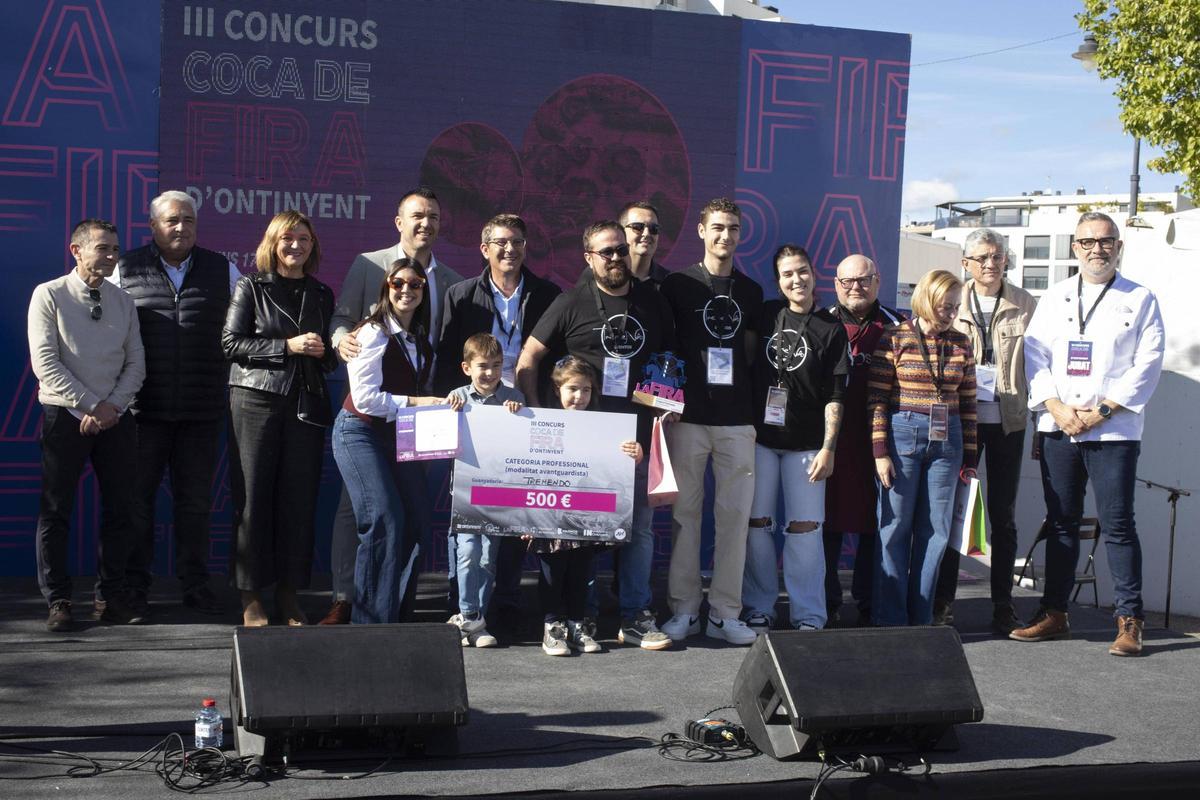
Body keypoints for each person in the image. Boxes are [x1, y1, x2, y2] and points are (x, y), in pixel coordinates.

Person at [517, 219, 676, 650]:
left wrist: (666, 408)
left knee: (639, 531)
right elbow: (529, 358)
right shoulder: (572, 302)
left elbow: (667, 358)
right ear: (588, 258)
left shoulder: (651, 301)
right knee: (579, 532)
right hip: (582, 446)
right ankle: (579, 617)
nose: (616, 258)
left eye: (621, 250)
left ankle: (635, 616)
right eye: (606, 252)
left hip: (635, 442)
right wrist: (542, 417)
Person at [1011, 212, 1164, 657]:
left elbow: (1147, 362)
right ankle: (1054, 613)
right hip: (1059, 427)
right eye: (1087, 242)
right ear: (1074, 248)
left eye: (1106, 241)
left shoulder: (1140, 298)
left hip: (1113, 430)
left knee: (1118, 526)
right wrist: (1057, 407)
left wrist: (1100, 411)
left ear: (1118, 247)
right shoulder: (1055, 297)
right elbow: (1034, 359)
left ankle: (1129, 621)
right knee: (1060, 522)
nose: (1097, 249)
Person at [323, 187, 465, 625]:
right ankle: (353, 605)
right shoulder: (370, 267)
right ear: (399, 221)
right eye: (417, 215)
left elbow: (442, 352)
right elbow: (344, 322)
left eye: (434, 217)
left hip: (416, 425)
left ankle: (393, 614)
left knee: (415, 520)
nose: (426, 223)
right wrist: (339, 341)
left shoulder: (454, 280)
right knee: (374, 516)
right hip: (369, 420)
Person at [112, 190, 241, 619]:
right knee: (136, 505)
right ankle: (133, 589)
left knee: (195, 506)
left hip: (201, 412)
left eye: (188, 220)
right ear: (153, 226)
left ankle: (196, 586)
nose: (181, 228)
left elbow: (240, 331)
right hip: (140, 412)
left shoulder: (223, 270)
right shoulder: (124, 268)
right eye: (171, 221)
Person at [436, 213, 562, 640]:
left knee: (513, 509)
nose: (511, 250)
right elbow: (445, 358)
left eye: (518, 242)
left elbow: (556, 361)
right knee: (467, 514)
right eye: (502, 242)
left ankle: (504, 600)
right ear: (484, 248)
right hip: (472, 415)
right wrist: (445, 409)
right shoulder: (461, 294)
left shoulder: (548, 294)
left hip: (522, 412)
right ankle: (463, 607)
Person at [29, 219, 145, 631]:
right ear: (76, 250)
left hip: (116, 417)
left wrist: (112, 407)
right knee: (56, 510)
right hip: (66, 416)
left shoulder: (123, 301)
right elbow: (45, 362)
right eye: (103, 248)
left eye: (115, 248)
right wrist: (90, 406)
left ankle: (110, 596)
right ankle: (58, 600)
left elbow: (136, 364)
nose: (112, 256)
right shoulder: (49, 295)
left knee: (121, 511)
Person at [222, 210, 336, 627]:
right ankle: (251, 596)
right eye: (288, 239)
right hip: (255, 400)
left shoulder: (322, 293)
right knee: (252, 499)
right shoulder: (250, 286)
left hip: (304, 406)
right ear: (273, 243)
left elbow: (325, 355)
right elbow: (231, 343)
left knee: (298, 503)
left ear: (313, 246)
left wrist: (330, 353)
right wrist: (287, 346)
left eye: (304, 239)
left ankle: (289, 595)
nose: (296, 246)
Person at [659, 197, 762, 646]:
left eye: (734, 229)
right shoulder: (677, 285)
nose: (726, 236)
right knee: (685, 516)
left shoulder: (753, 292)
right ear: (701, 231)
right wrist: (663, 407)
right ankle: (683, 610)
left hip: (738, 422)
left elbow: (756, 359)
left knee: (735, 519)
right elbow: (665, 350)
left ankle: (724, 613)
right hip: (688, 420)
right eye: (717, 227)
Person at [933, 229, 1037, 633]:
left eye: (997, 257)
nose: (991, 264)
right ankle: (943, 602)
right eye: (982, 258)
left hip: (1009, 423)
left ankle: (1003, 605)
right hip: (963, 422)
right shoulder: (954, 304)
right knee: (956, 511)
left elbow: (1041, 364)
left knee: (1003, 516)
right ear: (966, 263)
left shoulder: (1026, 303)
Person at [332, 258, 447, 625]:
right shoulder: (371, 332)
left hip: (402, 435)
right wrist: (417, 402)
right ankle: (369, 625)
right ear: (386, 286)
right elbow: (366, 399)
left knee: (414, 524)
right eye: (398, 283)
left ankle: (395, 615)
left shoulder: (420, 339)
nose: (406, 291)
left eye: (415, 285)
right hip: (360, 431)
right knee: (383, 520)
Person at [741, 245, 849, 633]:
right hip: (762, 441)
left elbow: (836, 396)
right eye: (787, 274)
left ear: (813, 273)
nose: (796, 280)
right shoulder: (768, 313)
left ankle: (809, 615)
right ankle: (759, 606)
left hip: (807, 447)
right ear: (779, 281)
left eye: (802, 271)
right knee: (756, 525)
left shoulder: (831, 328)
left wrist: (828, 448)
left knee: (805, 530)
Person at [868, 269, 976, 627]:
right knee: (895, 527)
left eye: (955, 307)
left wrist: (971, 458)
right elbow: (878, 399)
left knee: (936, 532)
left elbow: (969, 403)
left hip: (949, 440)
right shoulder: (895, 337)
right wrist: (880, 452)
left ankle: (922, 618)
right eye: (945, 306)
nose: (951, 314)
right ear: (927, 300)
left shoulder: (961, 342)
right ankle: (891, 620)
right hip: (902, 435)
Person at [532, 357, 642, 656]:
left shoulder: (604, 427)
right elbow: (525, 469)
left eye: (586, 390)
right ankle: (552, 627)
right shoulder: (541, 422)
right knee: (553, 574)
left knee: (582, 572)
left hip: (586, 517)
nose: (579, 396)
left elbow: (617, 464)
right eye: (572, 389)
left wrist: (635, 453)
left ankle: (577, 624)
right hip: (548, 516)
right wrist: (522, 516)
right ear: (557, 390)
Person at [823, 255, 904, 626]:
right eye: (848, 281)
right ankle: (826, 602)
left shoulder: (899, 326)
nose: (856, 287)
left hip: (880, 442)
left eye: (864, 279)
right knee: (827, 524)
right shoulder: (820, 322)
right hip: (831, 442)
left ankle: (871, 601)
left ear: (878, 280)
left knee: (877, 525)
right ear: (836, 284)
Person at [446, 333, 525, 646]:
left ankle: (478, 621)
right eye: (482, 366)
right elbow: (438, 442)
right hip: (465, 492)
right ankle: (468, 615)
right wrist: (447, 415)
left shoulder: (514, 397)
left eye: (496, 365)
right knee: (467, 552)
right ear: (467, 368)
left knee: (487, 559)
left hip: (498, 493)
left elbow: (524, 443)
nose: (490, 373)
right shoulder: (455, 397)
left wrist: (520, 414)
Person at [574, 201, 670, 287]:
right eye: (637, 227)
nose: (647, 234)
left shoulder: (669, 281)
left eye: (654, 229)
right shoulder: (596, 275)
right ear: (622, 231)